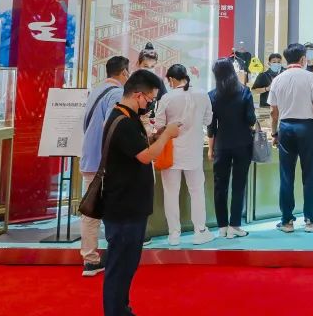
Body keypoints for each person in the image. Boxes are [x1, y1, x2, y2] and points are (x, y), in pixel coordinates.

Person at [100, 69, 180, 316]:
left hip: (131, 203)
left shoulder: (129, 118)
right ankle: (115, 311)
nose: (150, 104)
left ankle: (121, 308)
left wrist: (156, 136)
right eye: (150, 99)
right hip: (123, 205)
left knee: (127, 264)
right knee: (119, 265)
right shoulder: (122, 121)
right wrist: (166, 136)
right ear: (137, 95)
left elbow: (138, 148)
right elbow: (145, 156)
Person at [79, 55, 130, 276]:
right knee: (113, 209)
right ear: (124, 72)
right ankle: (112, 256)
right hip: (105, 162)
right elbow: (113, 127)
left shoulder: (96, 91)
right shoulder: (117, 93)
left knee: (91, 210)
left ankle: (90, 259)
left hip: (90, 158)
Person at [269, 42, 313, 232]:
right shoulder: (311, 78)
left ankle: (287, 221)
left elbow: (273, 112)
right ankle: (311, 220)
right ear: (303, 59)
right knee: (309, 175)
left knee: (286, 175)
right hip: (307, 128)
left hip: (286, 127)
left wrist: (274, 132)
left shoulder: (278, 79)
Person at [156, 63, 215, 246]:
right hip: (194, 151)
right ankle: (200, 231)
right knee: (197, 192)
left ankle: (174, 235)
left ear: (171, 79)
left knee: (171, 193)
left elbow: (159, 125)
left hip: (171, 152)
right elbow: (208, 120)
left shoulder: (167, 97)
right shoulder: (202, 94)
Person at [209, 58, 257, 238]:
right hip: (243, 143)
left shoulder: (212, 95)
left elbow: (211, 126)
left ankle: (222, 226)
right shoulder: (244, 92)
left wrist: (210, 148)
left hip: (221, 144)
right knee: (239, 184)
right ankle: (234, 225)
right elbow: (251, 119)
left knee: (220, 185)